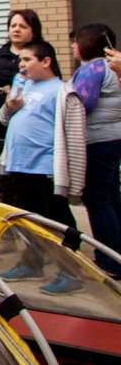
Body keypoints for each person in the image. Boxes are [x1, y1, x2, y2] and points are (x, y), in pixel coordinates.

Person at [0, 40, 86, 293]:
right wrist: (9, 106)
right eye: (20, 61)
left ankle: (71, 271)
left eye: (27, 60)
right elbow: (3, 119)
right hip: (20, 165)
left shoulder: (62, 91)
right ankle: (32, 263)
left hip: (45, 168)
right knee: (29, 219)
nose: (21, 65)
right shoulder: (23, 86)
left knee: (57, 221)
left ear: (46, 61)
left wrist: (73, 179)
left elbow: (75, 137)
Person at [0, 9, 58, 207]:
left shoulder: (42, 61)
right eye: (13, 25)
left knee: (40, 202)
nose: (16, 30)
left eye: (22, 26)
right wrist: (2, 90)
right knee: (4, 191)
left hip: (35, 145)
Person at [69, 24, 121, 278]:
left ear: (86, 43)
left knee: (97, 200)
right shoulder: (112, 67)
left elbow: (81, 103)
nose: (72, 47)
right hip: (113, 139)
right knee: (110, 197)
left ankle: (109, 260)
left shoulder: (93, 68)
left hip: (98, 141)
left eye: (75, 41)